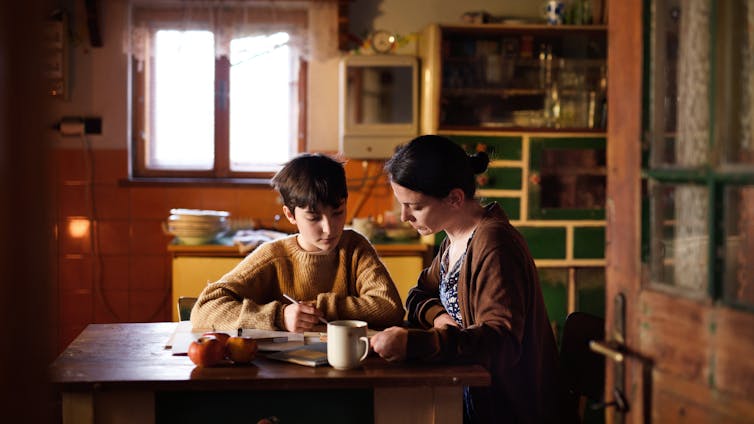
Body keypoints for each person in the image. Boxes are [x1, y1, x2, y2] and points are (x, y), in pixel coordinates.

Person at [370, 135, 560, 423]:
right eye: (402, 204)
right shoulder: (454, 241)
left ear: (455, 198)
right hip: (468, 397)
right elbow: (419, 295)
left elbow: (503, 341)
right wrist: (437, 318)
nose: (404, 216)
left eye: (415, 206)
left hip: (506, 409)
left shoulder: (494, 244)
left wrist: (416, 344)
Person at [191, 153, 405, 332]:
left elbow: (390, 308)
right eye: (314, 218)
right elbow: (204, 310)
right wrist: (279, 317)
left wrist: (316, 309)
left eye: (338, 212)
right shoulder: (273, 256)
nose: (329, 228)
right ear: (290, 215)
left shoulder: (354, 248)